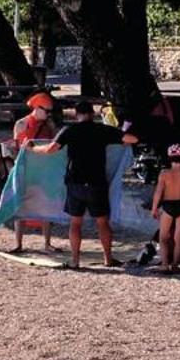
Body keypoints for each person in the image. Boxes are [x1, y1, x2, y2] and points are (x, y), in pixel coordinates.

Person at [31, 99, 134, 268]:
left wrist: (32, 148)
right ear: (92, 114)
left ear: (76, 114)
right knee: (102, 222)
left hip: (75, 181)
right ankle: (108, 258)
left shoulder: (70, 130)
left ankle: (75, 260)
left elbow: (50, 149)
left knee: (75, 222)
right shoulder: (102, 130)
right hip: (97, 181)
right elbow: (132, 139)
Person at [9, 93, 57, 253]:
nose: (49, 114)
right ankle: (18, 243)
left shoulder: (49, 125)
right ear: (37, 108)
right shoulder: (21, 124)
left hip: (44, 169)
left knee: (46, 205)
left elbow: (55, 145)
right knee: (21, 205)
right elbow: (15, 148)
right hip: (25, 167)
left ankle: (47, 243)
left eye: (51, 111)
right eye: (47, 111)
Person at [152, 145, 180, 274]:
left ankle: (165, 264)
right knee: (179, 239)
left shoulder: (164, 175)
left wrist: (154, 208)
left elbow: (158, 193)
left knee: (163, 237)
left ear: (169, 158)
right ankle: (175, 264)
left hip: (168, 206)